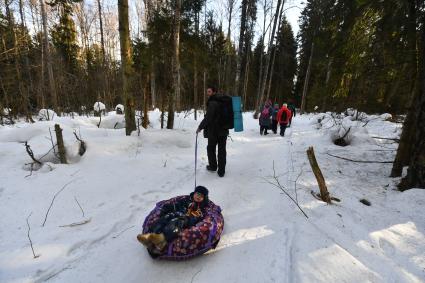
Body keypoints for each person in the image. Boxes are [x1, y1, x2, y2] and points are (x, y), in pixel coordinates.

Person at [137, 186, 209, 253]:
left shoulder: (201, 208)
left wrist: (190, 215)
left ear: (204, 199)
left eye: (201, 196)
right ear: (194, 193)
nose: (198, 197)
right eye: (197, 194)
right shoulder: (187, 200)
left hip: (184, 220)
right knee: (166, 217)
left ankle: (161, 240)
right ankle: (150, 235)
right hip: (175, 214)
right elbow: (178, 205)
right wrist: (170, 207)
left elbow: (195, 219)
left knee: (175, 223)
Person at [196, 86, 228, 177]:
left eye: (209, 91)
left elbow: (208, 118)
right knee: (222, 150)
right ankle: (221, 171)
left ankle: (213, 167)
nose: (207, 93)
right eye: (207, 91)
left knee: (211, 149)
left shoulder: (212, 103)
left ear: (214, 92)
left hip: (214, 131)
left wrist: (200, 127)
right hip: (223, 130)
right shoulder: (223, 101)